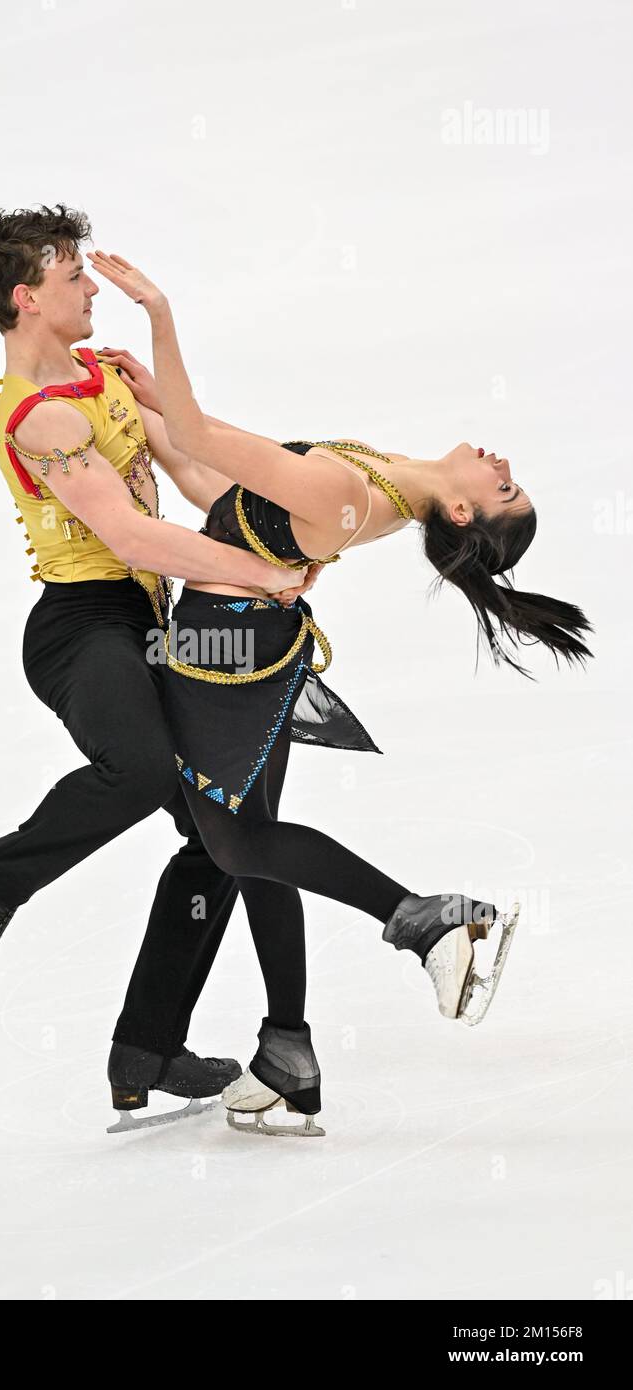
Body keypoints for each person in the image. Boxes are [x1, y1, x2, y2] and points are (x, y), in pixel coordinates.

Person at [83, 246, 595, 1137]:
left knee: (239, 844)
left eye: (503, 484)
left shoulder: (352, 489)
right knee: (253, 845)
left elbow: (205, 447)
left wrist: (159, 318)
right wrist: (153, 404)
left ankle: (427, 922)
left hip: (221, 655)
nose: (499, 460)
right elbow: (214, 483)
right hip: (252, 645)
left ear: (466, 514)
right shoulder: (381, 482)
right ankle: (289, 1047)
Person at [0, 205, 316, 1130]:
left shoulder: (106, 377)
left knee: (222, 834)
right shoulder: (37, 419)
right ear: (27, 298)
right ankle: (1, 875)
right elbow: (129, 532)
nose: (91, 287)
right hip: (83, 626)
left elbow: (190, 474)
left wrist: (290, 525)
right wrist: (255, 573)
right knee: (142, 768)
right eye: (74, 278)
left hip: (155, 619)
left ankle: (145, 1048)